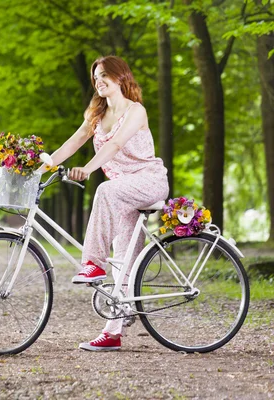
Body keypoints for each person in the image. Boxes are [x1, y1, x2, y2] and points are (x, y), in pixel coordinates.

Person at [42, 56, 169, 351]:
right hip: (122, 190)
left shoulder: (136, 111)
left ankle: (92, 263)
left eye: (103, 76)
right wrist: (42, 165)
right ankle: (113, 331)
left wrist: (87, 169)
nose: (98, 81)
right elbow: (72, 142)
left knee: (104, 191)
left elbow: (114, 145)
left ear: (120, 77)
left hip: (147, 182)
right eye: (95, 78)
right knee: (123, 260)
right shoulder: (97, 114)